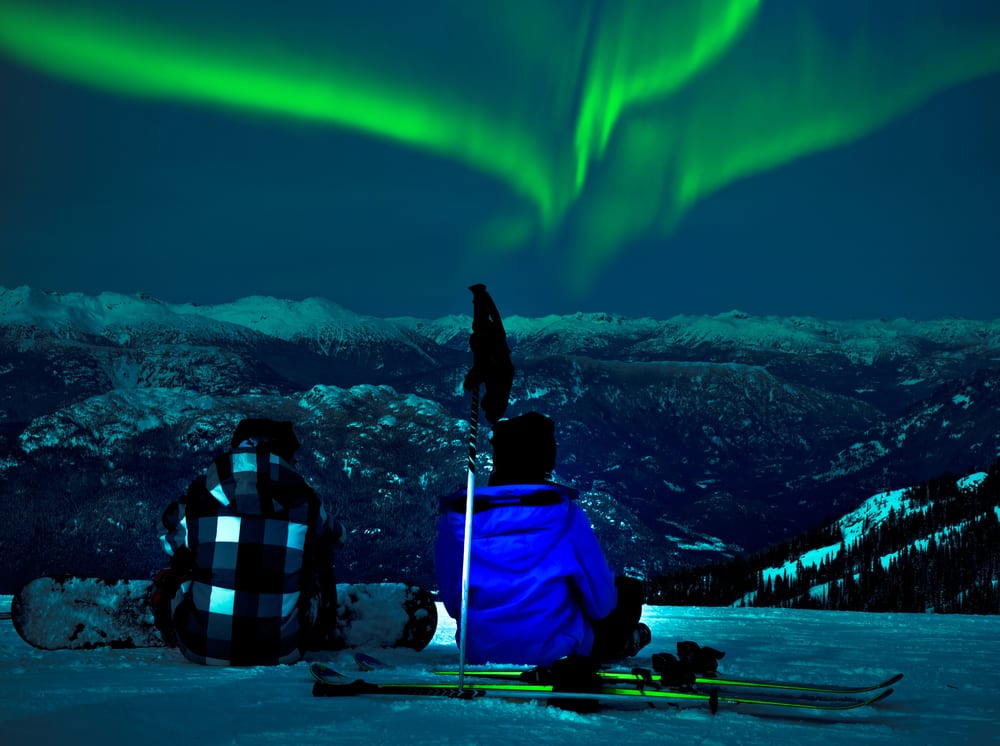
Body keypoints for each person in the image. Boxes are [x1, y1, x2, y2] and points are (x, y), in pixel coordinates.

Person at [435, 411, 650, 666]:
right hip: (558, 652)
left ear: (497, 460)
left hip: (478, 650)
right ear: (547, 461)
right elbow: (601, 603)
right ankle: (624, 641)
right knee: (627, 591)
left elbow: (452, 601)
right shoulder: (567, 516)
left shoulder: (458, 519)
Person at [153, 418, 345, 665]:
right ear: (281, 454)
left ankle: (204, 623)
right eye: (293, 456)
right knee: (316, 560)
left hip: (200, 648)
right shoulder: (306, 502)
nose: (296, 462)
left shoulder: (198, 497)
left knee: (172, 572)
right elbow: (337, 540)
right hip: (283, 651)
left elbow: (167, 534)